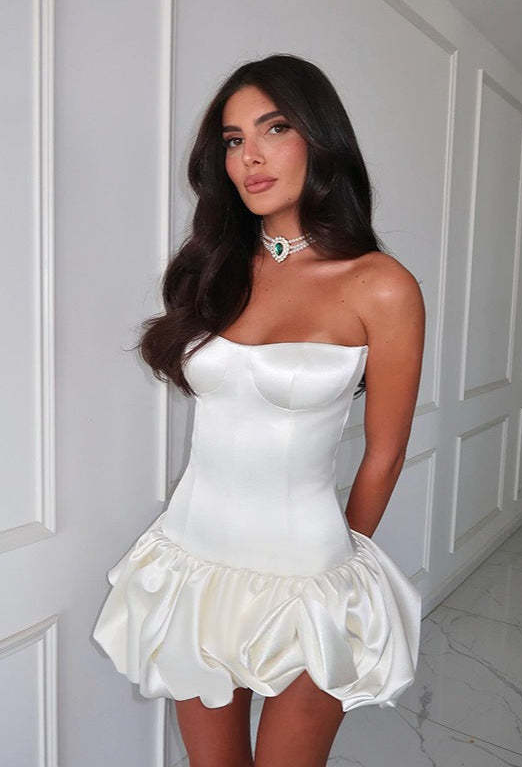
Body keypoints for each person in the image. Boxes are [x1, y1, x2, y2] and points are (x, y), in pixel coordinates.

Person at [92, 53, 425, 767]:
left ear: (320, 138)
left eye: (274, 129)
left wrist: (342, 565)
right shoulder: (216, 267)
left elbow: (386, 451)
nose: (250, 156)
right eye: (233, 139)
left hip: (308, 576)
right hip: (191, 565)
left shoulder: (380, 285)